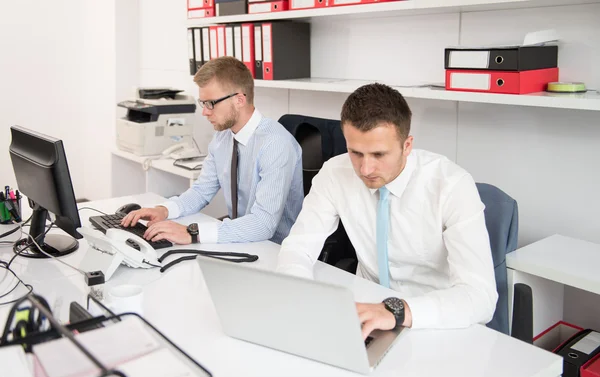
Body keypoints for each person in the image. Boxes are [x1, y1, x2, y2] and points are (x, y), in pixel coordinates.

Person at [276, 83, 497, 339]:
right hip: (365, 313)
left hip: (435, 320)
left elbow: (480, 297)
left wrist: (397, 311)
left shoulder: (451, 186)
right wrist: (296, 291)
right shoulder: (335, 173)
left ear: (407, 145)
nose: (366, 168)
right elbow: (298, 247)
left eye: (379, 154)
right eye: (355, 152)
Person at [122, 57, 303, 245]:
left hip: (275, 248)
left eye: (211, 103)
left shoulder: (276, 145)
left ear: (239, 99)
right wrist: (164, 210)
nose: (205, 112)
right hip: (237, 239)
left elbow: (263, 224)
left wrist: (192, 233)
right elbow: (201, 191)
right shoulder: (223, 136)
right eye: (203, 103)